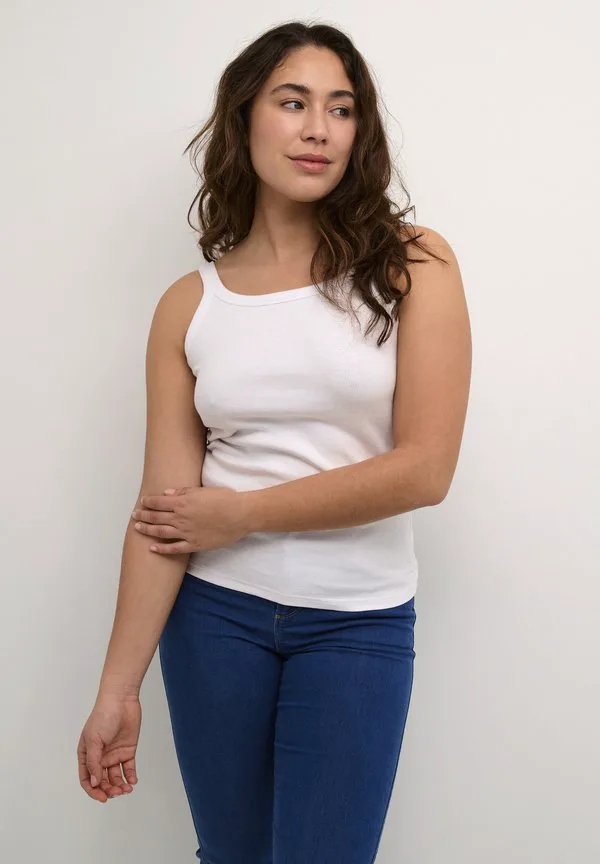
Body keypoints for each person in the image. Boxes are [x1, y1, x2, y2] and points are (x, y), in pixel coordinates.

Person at [77, 20, 471, 863]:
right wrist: (118, 689)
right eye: (293, 103)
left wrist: (243, 513)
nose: (319, 128)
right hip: (214, 619)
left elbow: (426, 469)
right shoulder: (190, 305)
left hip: (357, 623)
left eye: (341, 108)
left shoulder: (413, 264)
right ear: (244, 118)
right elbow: (163, 515)